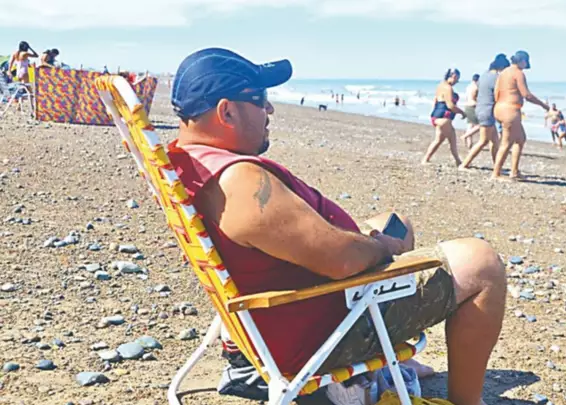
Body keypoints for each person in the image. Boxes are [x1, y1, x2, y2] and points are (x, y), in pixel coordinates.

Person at [167, 48, 507, 405]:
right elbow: (342, 261)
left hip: (290, 306)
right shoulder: (238, 184)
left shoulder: (191, 164)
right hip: (322, 330)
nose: (269, 109)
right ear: (227, 111)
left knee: (397, 224)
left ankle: (388, 361)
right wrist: (381, 248)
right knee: (481, 264)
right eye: (260, 99)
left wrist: (369, 238)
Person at [492, 51, 549, 180]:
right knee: (506, 142)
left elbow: (496, 92)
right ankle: (496, 173)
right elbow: (526, 95)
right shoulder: (518, 73)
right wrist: (543, 105)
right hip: (510, 110)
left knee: (520, 138)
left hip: (499, 107)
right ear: (522, 61)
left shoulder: (503, 73)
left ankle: (514, 171)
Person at [459, 54, 510, 170]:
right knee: (483, 141)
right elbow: (500, 94)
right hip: (488, 111)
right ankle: (464, 164)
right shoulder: (496, 78)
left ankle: (497, 166)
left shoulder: (483, 75)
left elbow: (475, 91)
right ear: (501, 67)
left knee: (494, 141)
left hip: (481, 108)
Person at [422, 69, 466, 166]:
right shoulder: (448, 88)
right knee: (451, 140)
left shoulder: (440, 86)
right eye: (457, 79)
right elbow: (450, 105)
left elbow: (436, 101)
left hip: (437, 116)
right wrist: (462, 113)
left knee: (440, 140)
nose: (457, 82)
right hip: (443, 118)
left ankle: (426, 159)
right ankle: (458, 162)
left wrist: (433, 116)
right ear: (453, 76)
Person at [462, 73, 480, 148]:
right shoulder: (475, 87)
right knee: (480, 125)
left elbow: (466, 98)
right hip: (473, 106)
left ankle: (469, 144)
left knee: (470, 125)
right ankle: (465, 136)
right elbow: (474, 98)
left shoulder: (468, 86)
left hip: (467, 105)